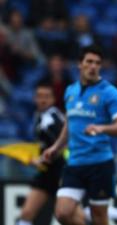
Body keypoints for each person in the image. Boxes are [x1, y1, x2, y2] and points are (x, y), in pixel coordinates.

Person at [43, 45, 117, 225]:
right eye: (89, 62)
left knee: (99, 217)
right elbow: (70, 123)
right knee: (62, 213)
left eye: (97, 63)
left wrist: (102, 128)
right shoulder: (70, 91)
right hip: (74, 164)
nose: (93, 66)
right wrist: (56, 147)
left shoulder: (109, 92)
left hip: (99, 164)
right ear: (80, 64)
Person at [16, 82, 65, 225]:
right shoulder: (40, 116)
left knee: (72, 215)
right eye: (39, 96)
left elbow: (64, 144)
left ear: (53, 99)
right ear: (34, 98)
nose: (42, 100)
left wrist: (41, 160)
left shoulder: (52, 119)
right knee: (26, 213)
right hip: (47, 173)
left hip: (60, 172)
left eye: (46, 96)